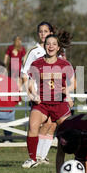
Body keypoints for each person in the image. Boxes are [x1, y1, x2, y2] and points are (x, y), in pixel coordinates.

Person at [22, 29, 75, 168]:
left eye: (54, 44)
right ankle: (33, 159)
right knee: (33, 126)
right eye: (48, 44)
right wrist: (33, 94)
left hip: (59, 103)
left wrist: (67, 90)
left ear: (58, 47)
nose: (51, 46)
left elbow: (74, 83)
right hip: (42, 104)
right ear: (44, 46)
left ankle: (81, 158)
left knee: (71, 133)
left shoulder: (65, 64)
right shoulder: (37, 64)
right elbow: (29, 82)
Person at [20, 22, 57, 165]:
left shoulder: (55, 49)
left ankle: (41, 156)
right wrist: (30, 92)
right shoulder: (34, 51)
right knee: (37, 124)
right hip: (38, 94)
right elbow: (24, 74)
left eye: (46, 31)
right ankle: (34, 156)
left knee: (51, 125)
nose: (43, 34)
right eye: (40, 31)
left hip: (53, 94)